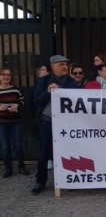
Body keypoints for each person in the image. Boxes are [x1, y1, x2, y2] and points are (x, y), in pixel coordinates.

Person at [31, 55, 78, 195]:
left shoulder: (71, 82)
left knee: (67, 152)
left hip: (66, 123)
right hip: (47, 121)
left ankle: (66, 180)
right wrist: (48, 92)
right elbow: (36, 101)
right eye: (61, 64)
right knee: (44, 153)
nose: (64, 67)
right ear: (52, 67)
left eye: (66, 64)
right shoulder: (43, 81)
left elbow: (77, 99)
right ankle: (40, 181)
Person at [0, 68, 30, 178]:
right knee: (5, 147)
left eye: (8, 75)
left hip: (15, 121)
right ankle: (8, 168)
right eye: (3, 74)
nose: (6, 77)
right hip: (2, 122)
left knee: (18, 146)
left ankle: (21, 166)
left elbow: (22, 100)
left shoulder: (16, 90)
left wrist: (17, 105)